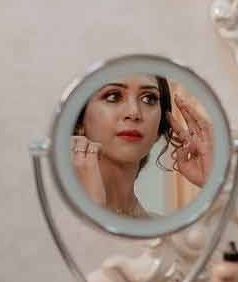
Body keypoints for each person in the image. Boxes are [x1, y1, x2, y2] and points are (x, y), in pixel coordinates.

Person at [71, 75, 214, 217]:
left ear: (160, 127)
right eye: (113, 96)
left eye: (148, 99)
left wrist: (212, 183)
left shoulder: (167, 233)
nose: (134, 113)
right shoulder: (54, 219)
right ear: (79, 120)